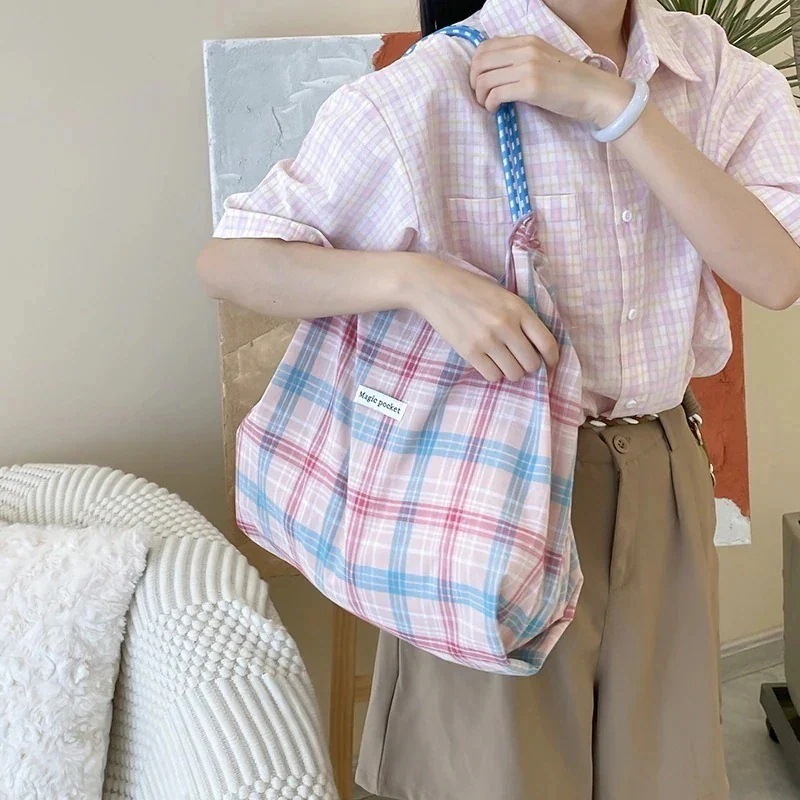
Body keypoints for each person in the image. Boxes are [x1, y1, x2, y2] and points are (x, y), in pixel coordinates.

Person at [197, 0, 800, 796]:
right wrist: (417, 281)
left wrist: (614, 107)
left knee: (668, 778)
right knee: (495, 779)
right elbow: (234, 261)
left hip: (663, 473)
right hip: (487, 490)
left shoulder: (711, 73)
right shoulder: (429, 87)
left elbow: (777, 274)